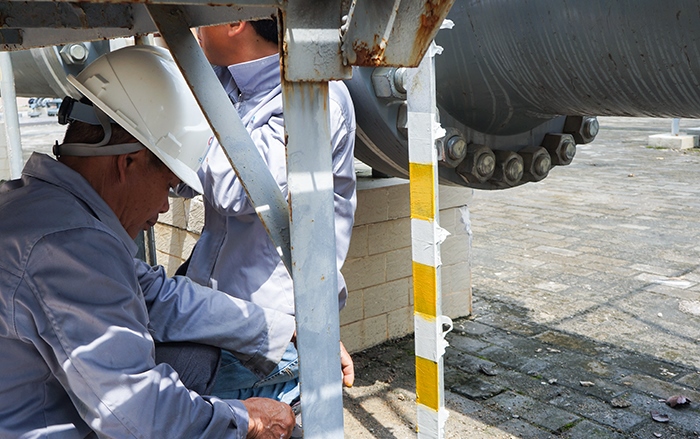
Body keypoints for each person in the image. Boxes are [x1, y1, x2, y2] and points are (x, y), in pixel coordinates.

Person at [0, 45, 298, 439]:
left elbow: (155, 294)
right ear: (129, 162)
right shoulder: (67, 245)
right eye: (168, 186)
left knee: (194, 354)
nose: (161, 207)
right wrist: (246, 419)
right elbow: (137, 414)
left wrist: (283, 329)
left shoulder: (39, 209)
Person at [179, 19, 357, 403]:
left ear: (234, 20)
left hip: (269, 335)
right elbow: (177, 179)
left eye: (199, 14)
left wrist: (183, 139)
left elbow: (232, 189)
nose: (193, 27)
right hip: (215, 313)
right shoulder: (225, 82)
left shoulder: (310, 93)